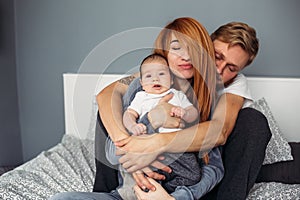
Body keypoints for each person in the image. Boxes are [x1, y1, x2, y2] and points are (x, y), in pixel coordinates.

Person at [50, 17, 271, 200]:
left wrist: (153, 143)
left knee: (253, 120)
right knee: (111, 110)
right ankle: (108, 192)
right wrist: (129, 147)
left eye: (231, 67)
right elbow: (107, 94)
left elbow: (218, 133)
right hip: (139, 176)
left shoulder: (228, 89)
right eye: (217, 56)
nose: (219, 68)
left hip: (193, 174)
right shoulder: (156, 78)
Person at [110, 53, 223, 200]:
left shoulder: (177, 95)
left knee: (194, 175)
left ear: (170, 80)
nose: (155, 79)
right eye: (149, 76)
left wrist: (184, 113)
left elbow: (193, 113)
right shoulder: (141, 97)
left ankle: (168, 192)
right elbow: (128, 114)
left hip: (178, 148)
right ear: (142, 83)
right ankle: (149, 192)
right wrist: (133, 126)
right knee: (145, 177)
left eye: (162, 74)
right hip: (149, 150)